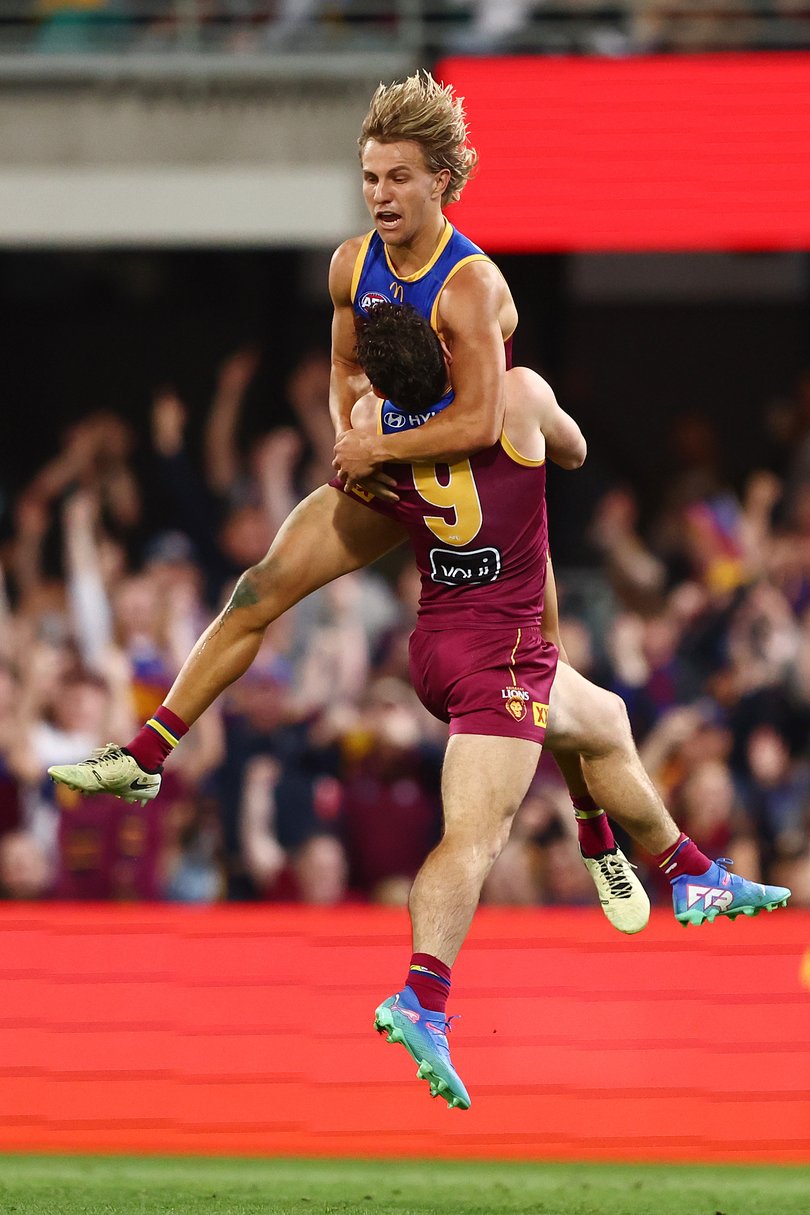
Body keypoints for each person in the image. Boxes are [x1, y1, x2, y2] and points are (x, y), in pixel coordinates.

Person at [46, 70, 647, 930]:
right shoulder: (352, 265)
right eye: (369, 178)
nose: (379, 195)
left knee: (547, 669)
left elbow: (478, 420)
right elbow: (343, 368)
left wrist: (379, 444)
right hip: (396, 464)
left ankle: (596, 835)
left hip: (489, 489)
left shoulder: (469, 282)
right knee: (260, 585)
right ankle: (148, 750)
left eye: (397, 177)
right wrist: (349, 443)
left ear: (440, 178)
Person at [341, 302, 791, 1110]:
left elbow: (356, 470)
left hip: (440, 633)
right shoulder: (514, 395)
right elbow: (576, 452)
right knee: (475, 840)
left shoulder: (374, 422)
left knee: (607, 719)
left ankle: (691, 873)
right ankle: (422, 994)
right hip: (498, 648)